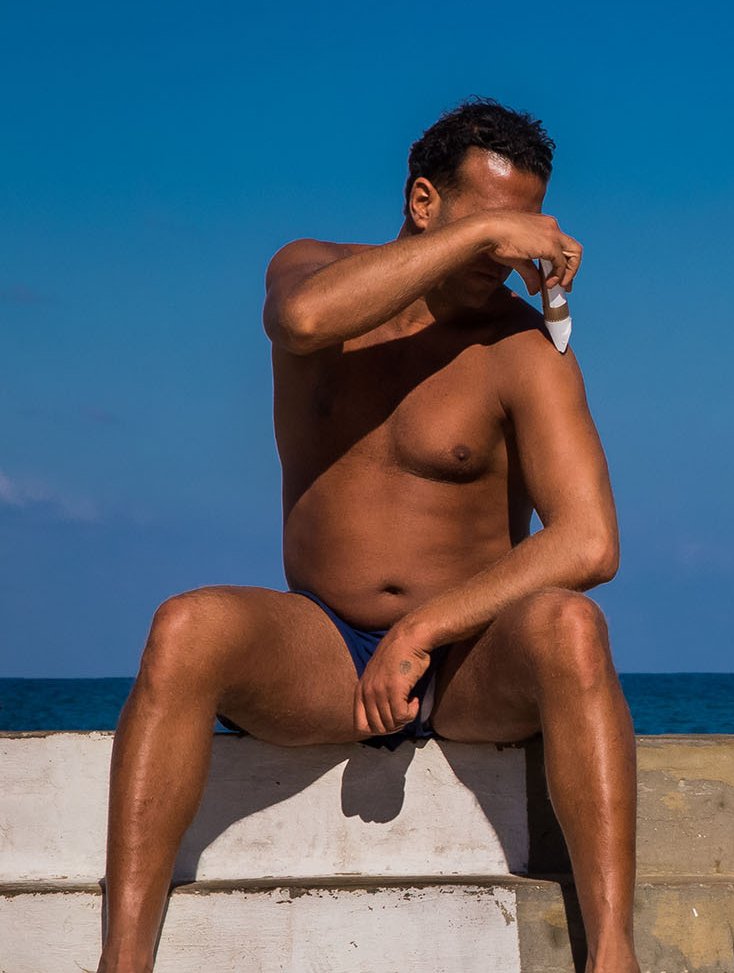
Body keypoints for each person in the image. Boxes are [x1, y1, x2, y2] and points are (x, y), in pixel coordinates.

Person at [98, 99, 639, 972]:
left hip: (463, 660)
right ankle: (122, 960)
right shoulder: (310, 271)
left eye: (519, 230)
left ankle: (613, 954)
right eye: (487, 228)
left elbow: (589, 541)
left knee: (575, 628)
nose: (505, 256)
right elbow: (301, 321)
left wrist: (424, 630)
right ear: (424, 203)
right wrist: (479, 238)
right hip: (324, 645)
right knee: (184, 626)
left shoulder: (521, 346)